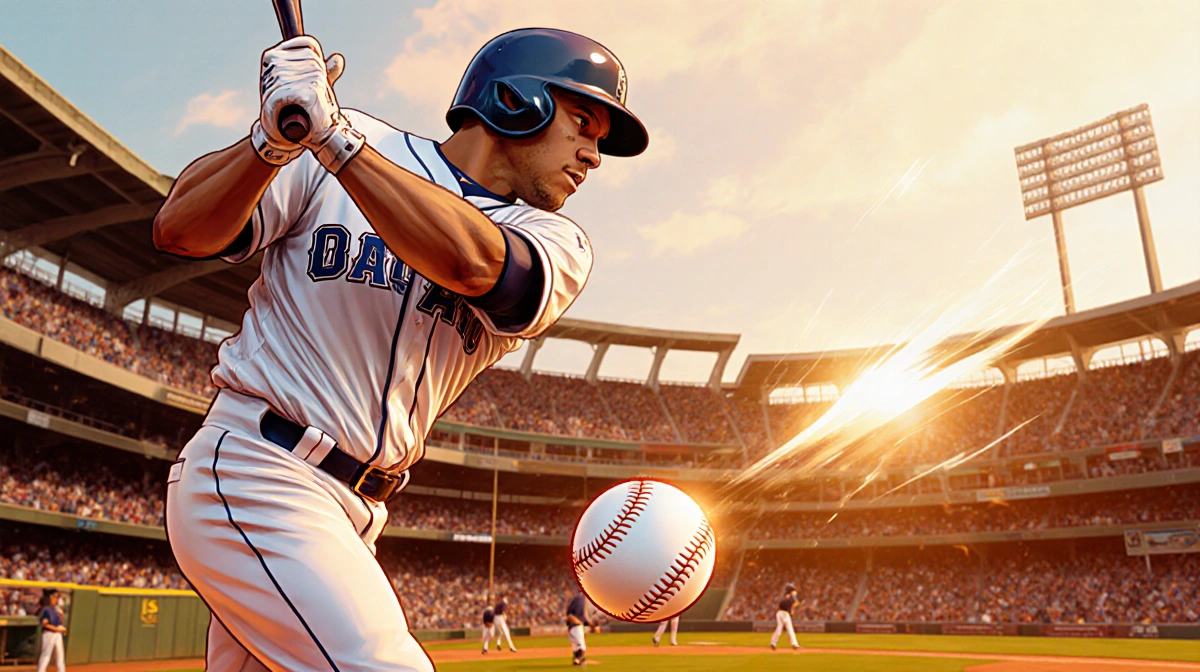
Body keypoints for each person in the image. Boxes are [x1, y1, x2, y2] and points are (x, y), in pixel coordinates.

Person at [156, 27, 647, 672]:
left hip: (359, 512)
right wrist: (268, 144)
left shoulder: (555, 240)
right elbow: (179, 230)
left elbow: (476, 265)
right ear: (514, 100)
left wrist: (334, 144)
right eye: (582, 122)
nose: (593, 156)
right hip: (259, 468)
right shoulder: (346, 145)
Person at [36, 589, 66, 672]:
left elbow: (58, 622)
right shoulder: (46, 609)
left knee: (60, 655)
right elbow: (45, 623)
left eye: (56, 597)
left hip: (57, 634)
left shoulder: (56, 609)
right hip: (49, 634)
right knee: (46, 655)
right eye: (54, 597)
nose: (55, 599)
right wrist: (57, 629)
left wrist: (61, 628)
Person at [770, 584, 801, 650]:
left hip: (779, 613)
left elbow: (778, 606)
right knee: (790, 629)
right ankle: (794, 644)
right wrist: (792, 610)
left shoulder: (783, 595)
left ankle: (773, 643)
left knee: (779, 629)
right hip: (785, 613)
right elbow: (796, 603)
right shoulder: (791, 595)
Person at [565, 590, 590, 666]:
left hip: (572, 625)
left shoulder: (576, 598)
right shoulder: (580, 598)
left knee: (575, 644)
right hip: (576, 625)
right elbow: (580, 614)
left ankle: (578, 659)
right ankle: (579, 659)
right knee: (580, 644)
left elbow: (569, 612)